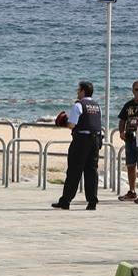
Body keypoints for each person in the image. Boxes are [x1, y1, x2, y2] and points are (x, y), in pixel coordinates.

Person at [52, 81, 102, 211]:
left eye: (78, 90)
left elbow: (72, 125)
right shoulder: (96, 106)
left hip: (81, 141)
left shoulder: (79, 105)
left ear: (83, 91)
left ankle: (66, 201)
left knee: (74, 170)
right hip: (95, 140)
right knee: (92, 171)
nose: (77, 92)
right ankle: (92, 202)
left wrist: (64, 122)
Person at [116, 81, 138, 202]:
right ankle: (132, 191)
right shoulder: (128, 105)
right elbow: (122, 120)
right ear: (133, 90)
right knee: (130, 165)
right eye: (136, 89)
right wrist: (121, 132)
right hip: (130, 139)